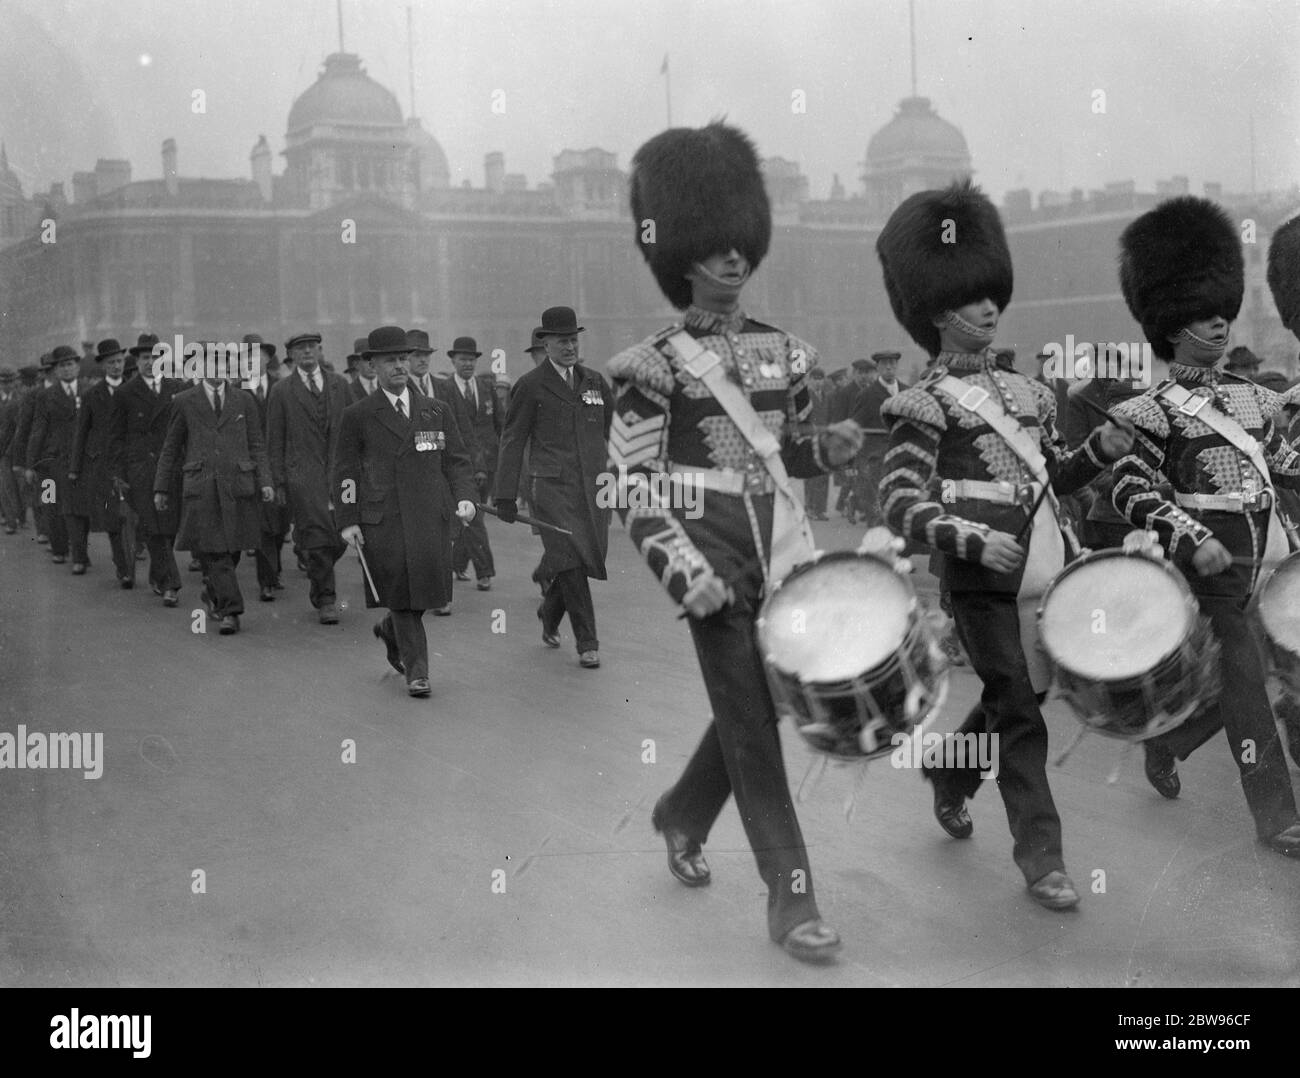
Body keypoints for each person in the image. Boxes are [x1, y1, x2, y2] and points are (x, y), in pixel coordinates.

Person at [608, 122, 862, 962]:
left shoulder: (785, 353)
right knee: (753, 723)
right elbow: (629, 485)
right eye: (713, 248)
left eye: (739, 247)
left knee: (767, 706)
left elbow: (780, 451)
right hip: (710, 559)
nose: (731, 261)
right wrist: (684, 572)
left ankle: (683, 812)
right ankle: (793, 902)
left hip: (782, 550)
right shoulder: (653, 365)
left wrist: (823, 451)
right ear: (680, 254)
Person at [875, 179, 1134, 909]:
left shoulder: (1029, 395)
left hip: (1047, 565)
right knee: (1018, 705)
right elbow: (897, 501)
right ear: (936, 312)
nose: (989, 308)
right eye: (972, 299)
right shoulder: (922, 403)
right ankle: (1042, 859)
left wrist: (1102, 451)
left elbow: (1054, 473)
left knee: (1023, 695)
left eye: (993, 296)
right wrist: (969, 539)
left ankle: (952, 772)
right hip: (978, 579)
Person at [1108, 196, 1300, 858]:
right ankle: (1277, 815)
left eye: (1221, 311)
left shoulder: (1259, 401)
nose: (1219, 322)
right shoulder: (1150, 411)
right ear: (1171, 325)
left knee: (1263, 678)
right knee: (1247, 683)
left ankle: (1168, 742)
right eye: (1202, 315)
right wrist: (1194, 538)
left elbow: (1283, 469)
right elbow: (1130, 490)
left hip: (1271, 557)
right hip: (1210, 567)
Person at [333, 325, 478, 698]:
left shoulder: (435, 410)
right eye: (389, 361)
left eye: (402, 359)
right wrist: (348, 520)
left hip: (431, 516)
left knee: (426, 592)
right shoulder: (359, 415)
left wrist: (465, 498)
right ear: (373, 366)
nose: (399, 366)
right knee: (402, 592)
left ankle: (388, 628)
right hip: (384, 519)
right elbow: (345, 472)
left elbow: (458, 461)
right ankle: (418, 673)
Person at [494, 307, 613, 668]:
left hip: (593, 491)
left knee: (583, 558)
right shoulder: (530, 386)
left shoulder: (594, 382)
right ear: (545, 344)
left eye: (574, 340)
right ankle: (587, 643)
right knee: (572, 563)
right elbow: (512, 441)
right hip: (551, 489)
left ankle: (549, 612)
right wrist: (505, 494)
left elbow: (615, 432)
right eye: (562, 341)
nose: (569, 347)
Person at [154, 362, 275, 635]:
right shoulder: (184, 401)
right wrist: (160, 487)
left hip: (238, 486)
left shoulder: (244, 399)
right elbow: (171, 447)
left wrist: (265, 481)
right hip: (203, 487)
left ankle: (212, 592)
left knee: (232, 552)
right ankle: (232, 611)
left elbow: (256, 442)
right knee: (217, 550)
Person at [267, 331, 350, 624]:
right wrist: (278, 482)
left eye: (312, 347)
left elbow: (353, 431)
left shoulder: (340, 385)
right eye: (300, 349)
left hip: (340, 474)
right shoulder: (281, 391)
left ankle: (313, 557)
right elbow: (274, 440)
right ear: (291, 356)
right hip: (302, 477)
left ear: (320, 350)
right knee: (317, 539)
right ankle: (325, 599)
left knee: (340, 538)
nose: (307, 353)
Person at [109, 336, 183, 606]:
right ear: (137, 362)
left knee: (169, 526)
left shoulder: (177, 388)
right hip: (140, 469)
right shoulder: (125, 393)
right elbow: (116, 437)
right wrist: (119, 473)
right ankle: (171, 584)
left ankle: (157, 573)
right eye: (144, 358)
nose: (150, 363)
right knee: (154, 526)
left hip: (171, 467)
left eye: (155, 357)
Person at [69, 339, 135, 587]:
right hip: (102, 465)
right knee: (113, 518)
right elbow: (81, 433)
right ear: (103, 366)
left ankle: (134, 557)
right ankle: (124, 568)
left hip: (131, 462)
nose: (116, 366)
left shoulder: (133, 389)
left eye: (119, 361)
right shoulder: (91, 396)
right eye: (111, 362)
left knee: (136, 517)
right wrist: (75, 468)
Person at [443, 336, 500, 591]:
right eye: (462, 359)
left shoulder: (486, 387)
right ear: (453, 361)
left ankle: (457, 563)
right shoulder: (444, 390)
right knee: (475, 516)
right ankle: (484, 571)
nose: (467, 364)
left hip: (487, 464)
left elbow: (501, 424)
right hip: (460, 466)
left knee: (471, 515)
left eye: (472, 359)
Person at [26, 346, 87, 569]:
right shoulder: (46, 396)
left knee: (77, 507)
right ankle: (60, 549)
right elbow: (38, 429)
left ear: (77, 366)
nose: (67, 369)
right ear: (56, 370)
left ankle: (80, 554)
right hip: (52, 461)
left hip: (83, 459)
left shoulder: (88, 390)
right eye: (62, 365)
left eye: (70, 364)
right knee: (52, 504)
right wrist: (31, 464)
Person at [850, 350, 908, 526]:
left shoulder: (908, 392)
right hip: (875, 455)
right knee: (875, 491)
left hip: (901, 452)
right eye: (884, 364)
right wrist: (856, 458)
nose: (889, 367)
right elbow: (856, 426)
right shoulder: (867, 395)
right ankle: (876, 520)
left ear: (897, 366)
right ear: (878, 368)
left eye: (892, 363)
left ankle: (893, 521)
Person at [803, 368, 830, 520]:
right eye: (815, 378)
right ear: (810, 380)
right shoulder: (806, 397)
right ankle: (810, 507)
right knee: (811, 474)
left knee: (824, 474)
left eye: (821, 378)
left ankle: (821, 509)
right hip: (810, 439)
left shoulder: (827, 396)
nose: (818, 381)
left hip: (825, 439)